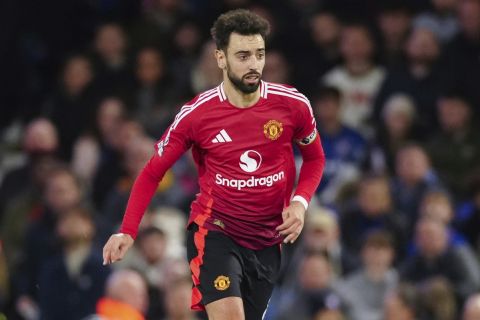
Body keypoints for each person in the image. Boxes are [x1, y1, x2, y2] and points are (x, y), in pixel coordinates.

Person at [102, 9, 325, 320]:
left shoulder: (293, 105)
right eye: (243, 55)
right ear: (221, 58)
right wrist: (127, 230)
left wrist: (300, 203)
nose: (254, 64)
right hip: (216, 232)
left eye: (259, 54)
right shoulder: (196, 115)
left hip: (267, 239)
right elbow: (153, 172)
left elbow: (315, 158)